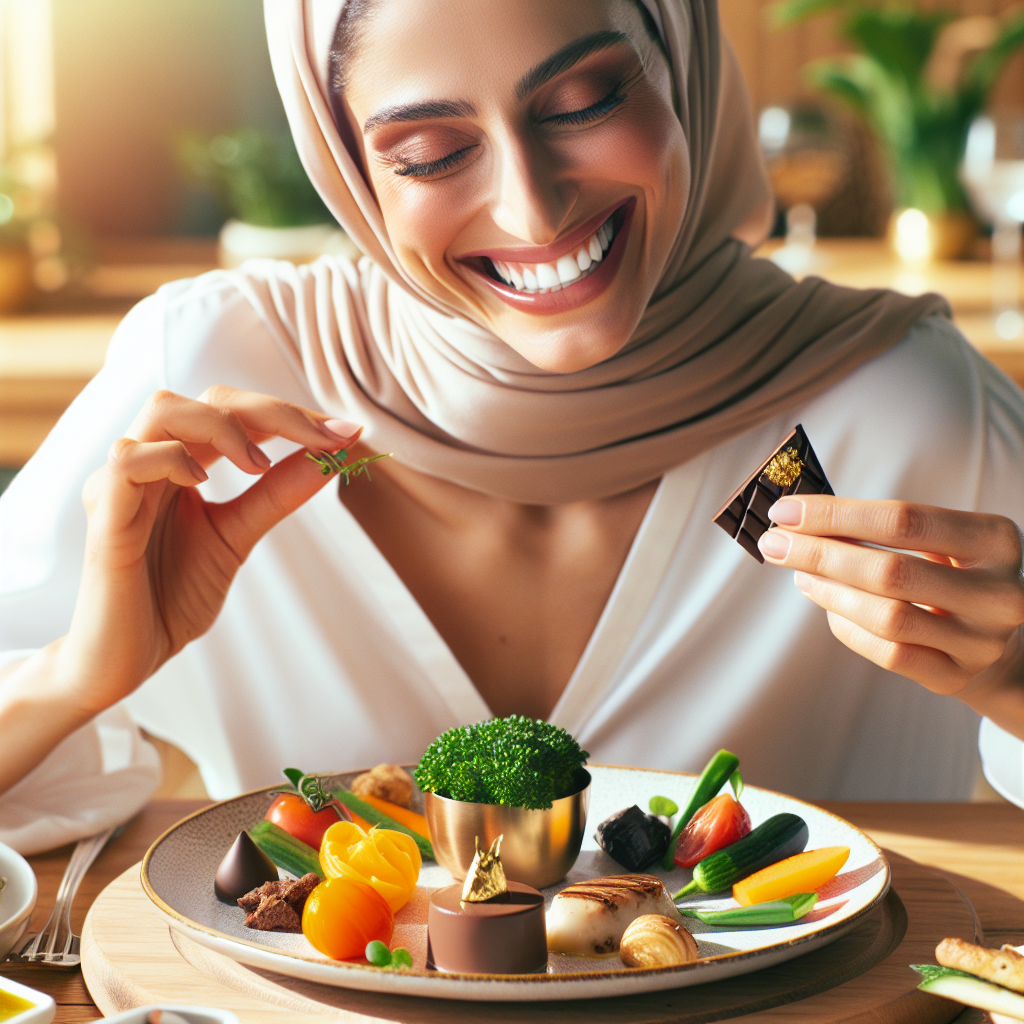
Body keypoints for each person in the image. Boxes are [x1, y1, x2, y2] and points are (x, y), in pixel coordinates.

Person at [1, 0, 1022, 853]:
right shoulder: (211, 375)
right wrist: (76, 674)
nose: (534, 214)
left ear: (683, 66)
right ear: (348, 165)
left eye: (585, 101)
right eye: (432, 153)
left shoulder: (901, 402)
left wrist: (1016, 683)